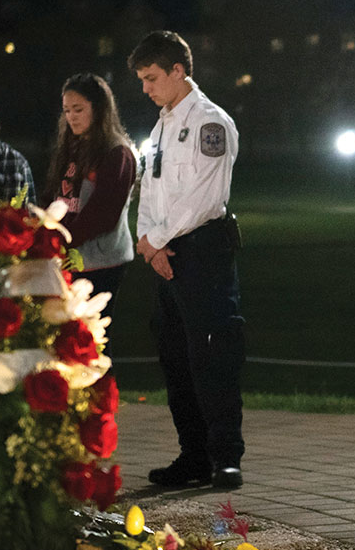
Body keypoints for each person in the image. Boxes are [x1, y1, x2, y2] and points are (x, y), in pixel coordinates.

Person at [127, 30, 245, 490]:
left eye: (152, 78)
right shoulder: (161, 125)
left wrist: (155, 240)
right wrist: (148, 242)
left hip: (203, 252)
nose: (146, 88)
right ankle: (192, 456)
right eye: (141, 79)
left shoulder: (210, 123)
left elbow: (202, 197)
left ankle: (224, 458)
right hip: (168, 251)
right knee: (176, 359)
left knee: (213, 355)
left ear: (179, 70)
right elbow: (149, 189)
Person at [46, 73, 137, 311]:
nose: (71, 118)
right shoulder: (72, 144)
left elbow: (103, 215)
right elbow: (55, 196)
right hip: (67, 259)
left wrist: (60, 241)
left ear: (98, 109)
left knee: (91, 337)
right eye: (66, 111)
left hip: (101, 262)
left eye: (78, 110)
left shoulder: (117, 152)